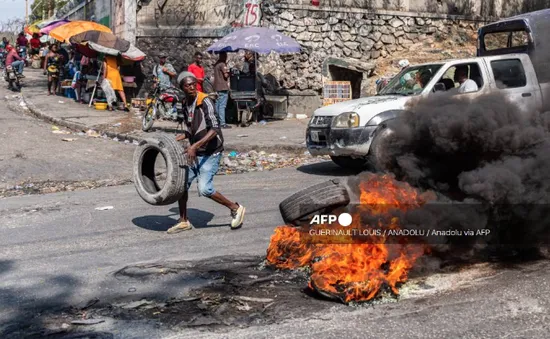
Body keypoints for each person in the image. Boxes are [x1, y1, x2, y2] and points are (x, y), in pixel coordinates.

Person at [168, 73, 246, 233]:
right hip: (196, 152)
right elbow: (193, 127)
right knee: (181, 185)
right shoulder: (184, 103)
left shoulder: (205, 101)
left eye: (193, 84)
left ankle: (235, 208)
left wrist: (194, 146)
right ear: (181, 88)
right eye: (187, 85)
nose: (191, 87)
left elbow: (215, 129)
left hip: (210, 152)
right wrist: (185, 136)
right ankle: (183, 220)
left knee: (204, 189)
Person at [213, 52, 231, 129]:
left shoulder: (216, 64)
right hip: (223, 87)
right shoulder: (223, 64)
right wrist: (229, 72)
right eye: (225, 55)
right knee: (222, 106)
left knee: (217, 104)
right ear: (223, 56)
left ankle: (216, 121)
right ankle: (223, 123)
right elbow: (226, 75)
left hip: (217, 87)